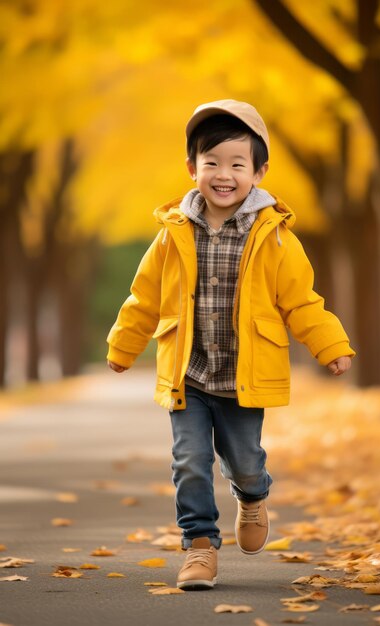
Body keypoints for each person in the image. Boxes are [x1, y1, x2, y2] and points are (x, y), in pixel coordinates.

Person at [106, 99, 355, 590]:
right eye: (212, 163)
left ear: (259, 172)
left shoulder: (276, 239)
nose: (224, 175)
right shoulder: (172, 234)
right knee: (189, 462)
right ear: (192, 168)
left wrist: (330, 345)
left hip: (244, 375)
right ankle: (199, 546)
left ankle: (253, 494)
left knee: (244, 460)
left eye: (237, 164)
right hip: (190, 375)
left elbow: (302, 302)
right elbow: (145, 297)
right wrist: (122, 346)